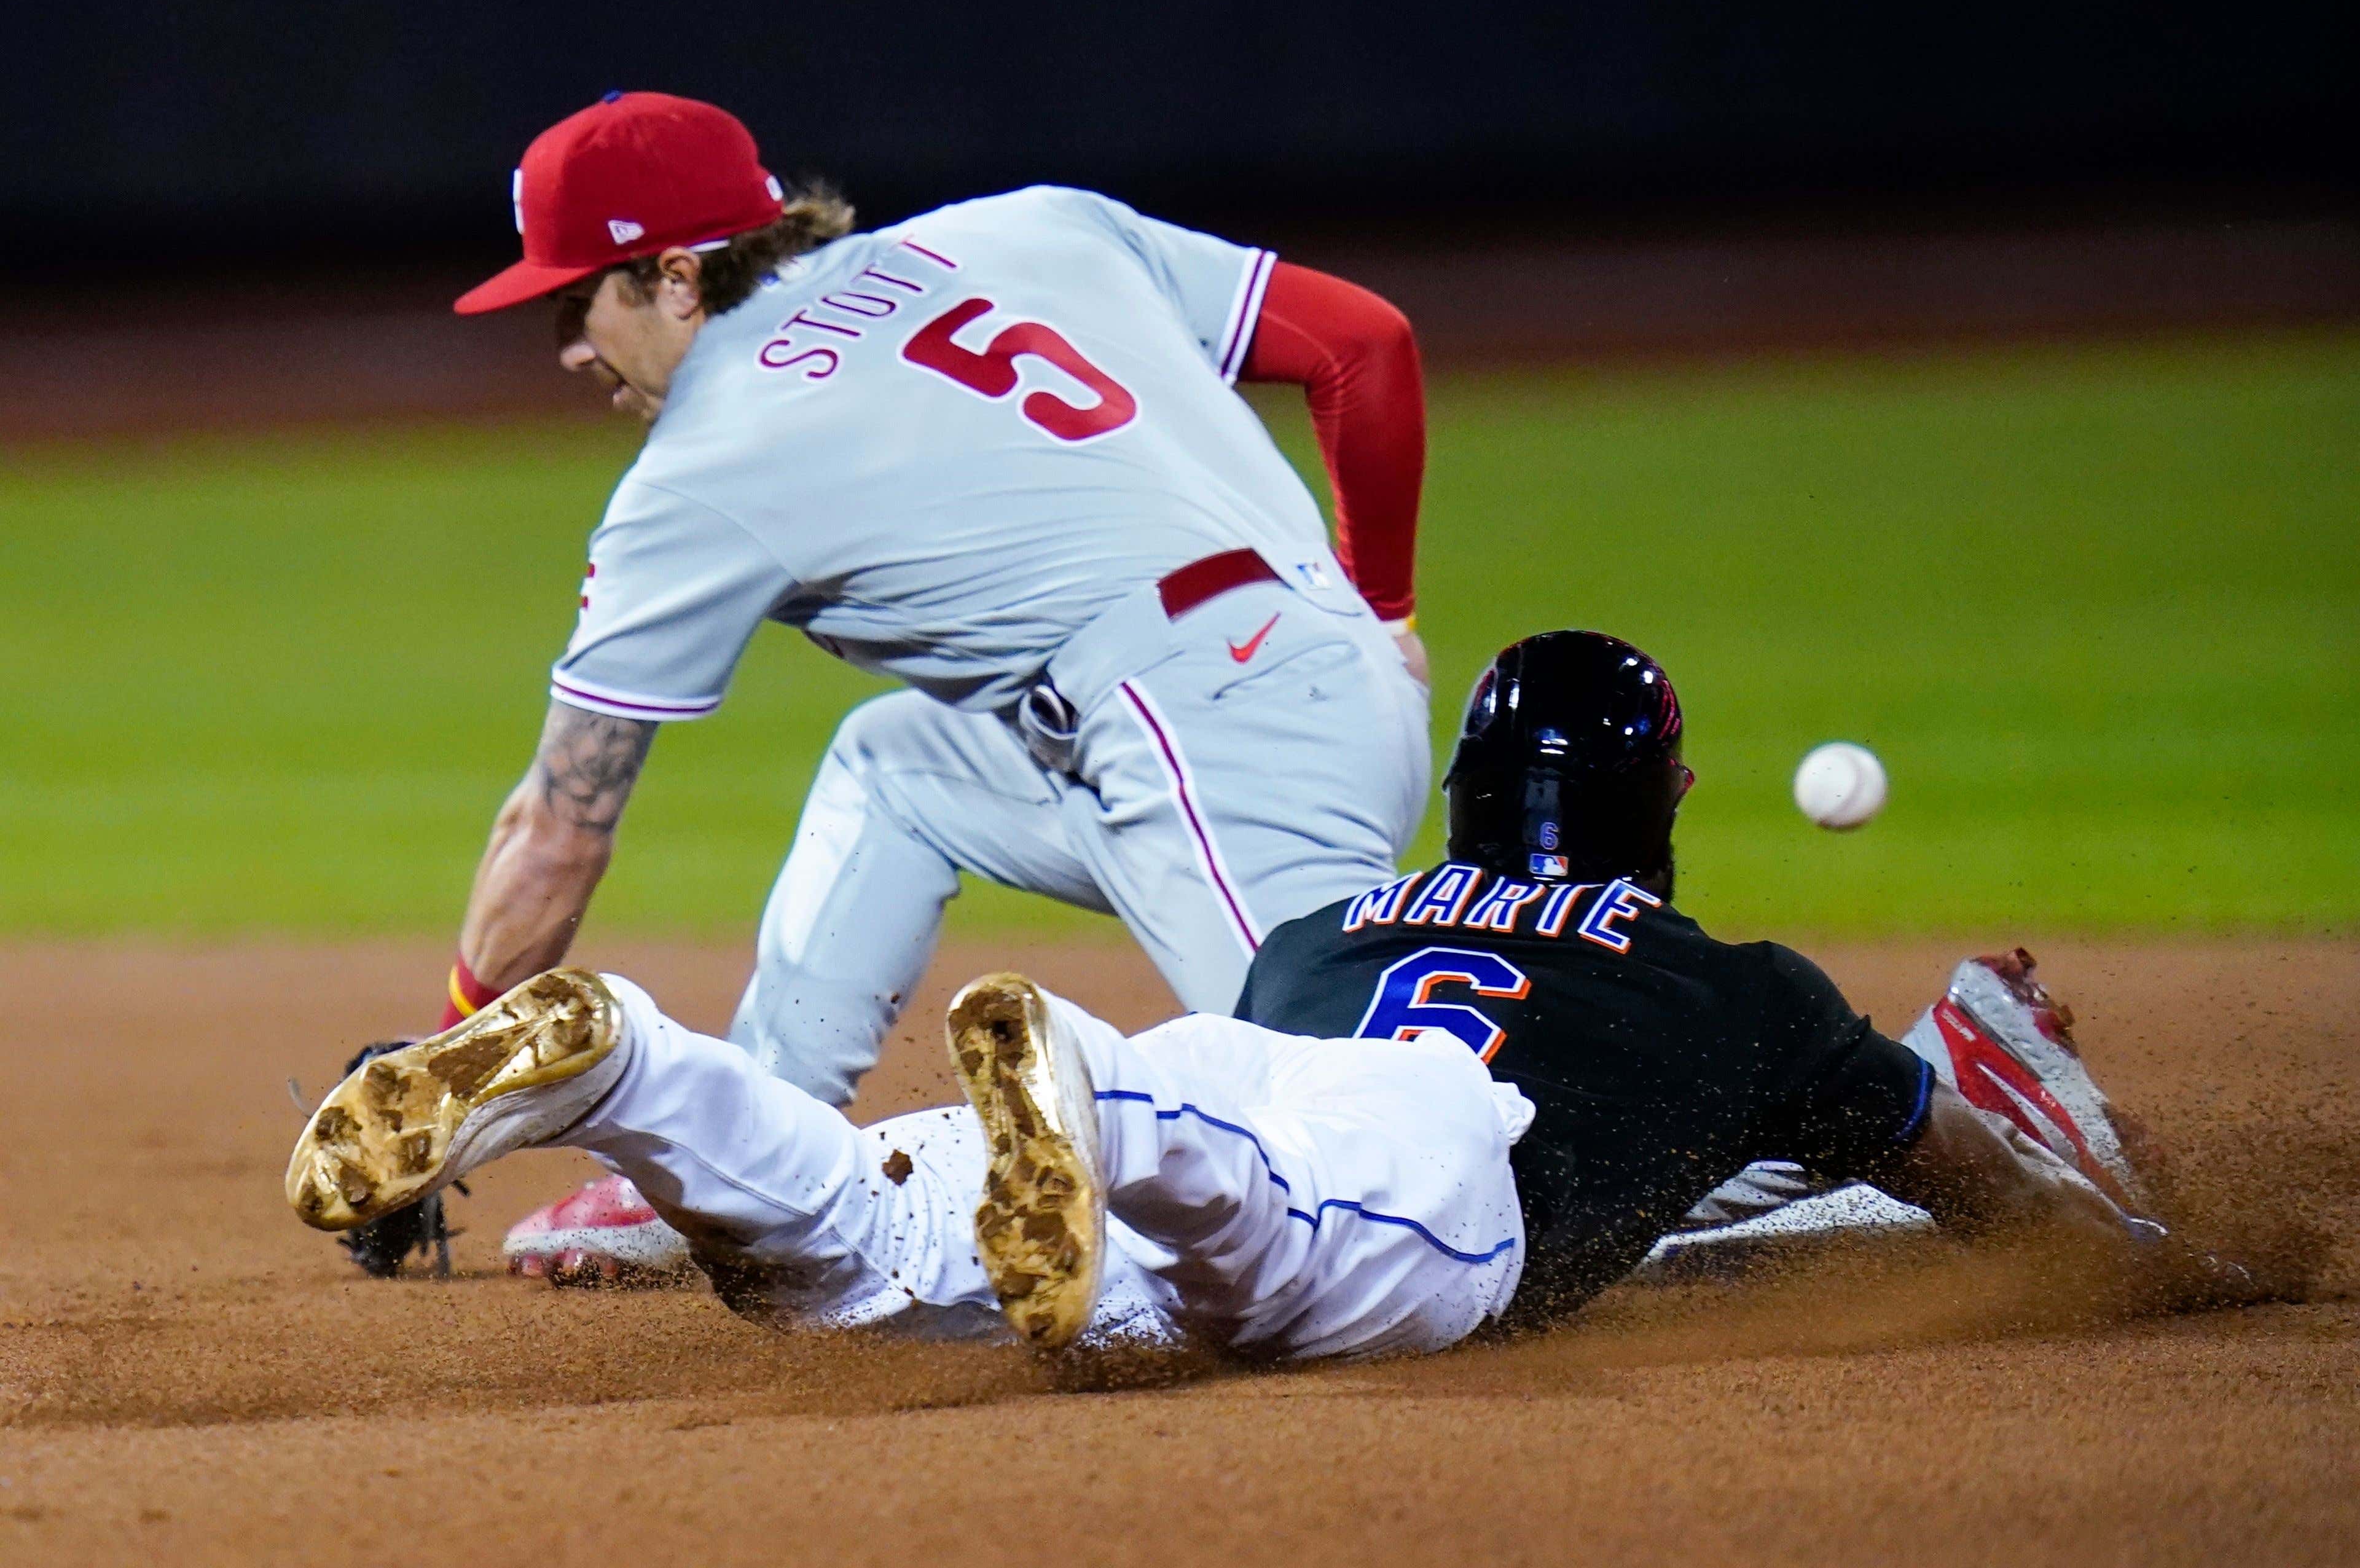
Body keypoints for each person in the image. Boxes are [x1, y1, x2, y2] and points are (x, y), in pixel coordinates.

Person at [291, 632, 2214, 1358]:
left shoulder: (1328, 926)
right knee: (1272, 1249)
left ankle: (632, 1060)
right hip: (1390, 1163)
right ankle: (1094, 1095)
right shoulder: (1746, 995)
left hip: (1228, 1061)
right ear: (1665, 804)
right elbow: (1972, 1191)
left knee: (848, 1253)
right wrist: (2154, 1262)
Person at [340, 90, 1436, 1283]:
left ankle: (1658, 1188)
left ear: (672, 279)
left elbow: (557, 827)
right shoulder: (1032, 228)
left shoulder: (709, 459)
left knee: (1374, 1148)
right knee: (898, 766)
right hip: (1282, 682)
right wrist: (1384, 610)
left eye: (575, 300)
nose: (567, 345)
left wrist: (446, 1070)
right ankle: (740, 1166)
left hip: (1213, 739)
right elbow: (1360, 343)